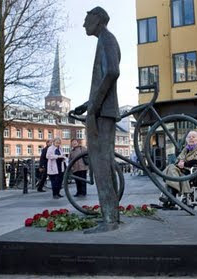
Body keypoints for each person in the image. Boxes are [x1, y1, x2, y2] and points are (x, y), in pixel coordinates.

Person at [74, 6, 121, 232]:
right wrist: (86, 104)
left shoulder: (107, 40)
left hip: (102, 112)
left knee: (101, 164)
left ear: (98, 19)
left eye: (87, 19)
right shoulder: (104, 40)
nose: (84, 24)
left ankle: (110, 220)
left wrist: (93, 107)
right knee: (104, 163)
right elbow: (104, 80)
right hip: (101, 109)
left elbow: (112, 72)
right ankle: (111, 217)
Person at [160, 131, 197, 208]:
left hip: (193, 172)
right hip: (182, 171)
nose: (191, 138)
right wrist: (179, 162)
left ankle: (170, 197)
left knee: (171, 170)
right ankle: (171, 198)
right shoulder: (186, 149)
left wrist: (185, 163)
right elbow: (178, 159)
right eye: (189, 137)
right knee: (171, 167)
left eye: (193, 137)